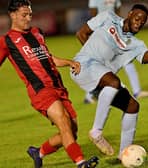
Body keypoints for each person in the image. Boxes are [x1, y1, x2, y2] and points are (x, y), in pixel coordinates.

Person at [0, 0, 99, 168]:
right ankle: (81, 163)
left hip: (58, 87)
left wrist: (69, 62)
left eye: (30, 14)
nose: (28, 18)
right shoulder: (6, 41)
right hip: (40, 90)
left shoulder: (38, 32)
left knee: (72, 131)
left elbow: (48, 58)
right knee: (63, 122)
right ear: (13, 15)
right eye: (24, 15)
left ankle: (38, 152)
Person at [71, 4, 148, 158]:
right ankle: (96, 132)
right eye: (137, 18)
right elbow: (81, 33)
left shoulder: (136, 45)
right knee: (114, 82)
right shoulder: (108, 17)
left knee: (132, 105)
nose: (139, 23)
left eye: (142, 22)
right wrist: (91, 56)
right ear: (129, 14)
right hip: (83, 66)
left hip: (105, 80)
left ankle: (124, 154)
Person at [83, 0, 148, 104]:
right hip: (104, 32)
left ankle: (137, 90)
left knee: (127, 60)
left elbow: (117, 12)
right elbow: (93, 14)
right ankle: (89, 95)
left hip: (116, 30)